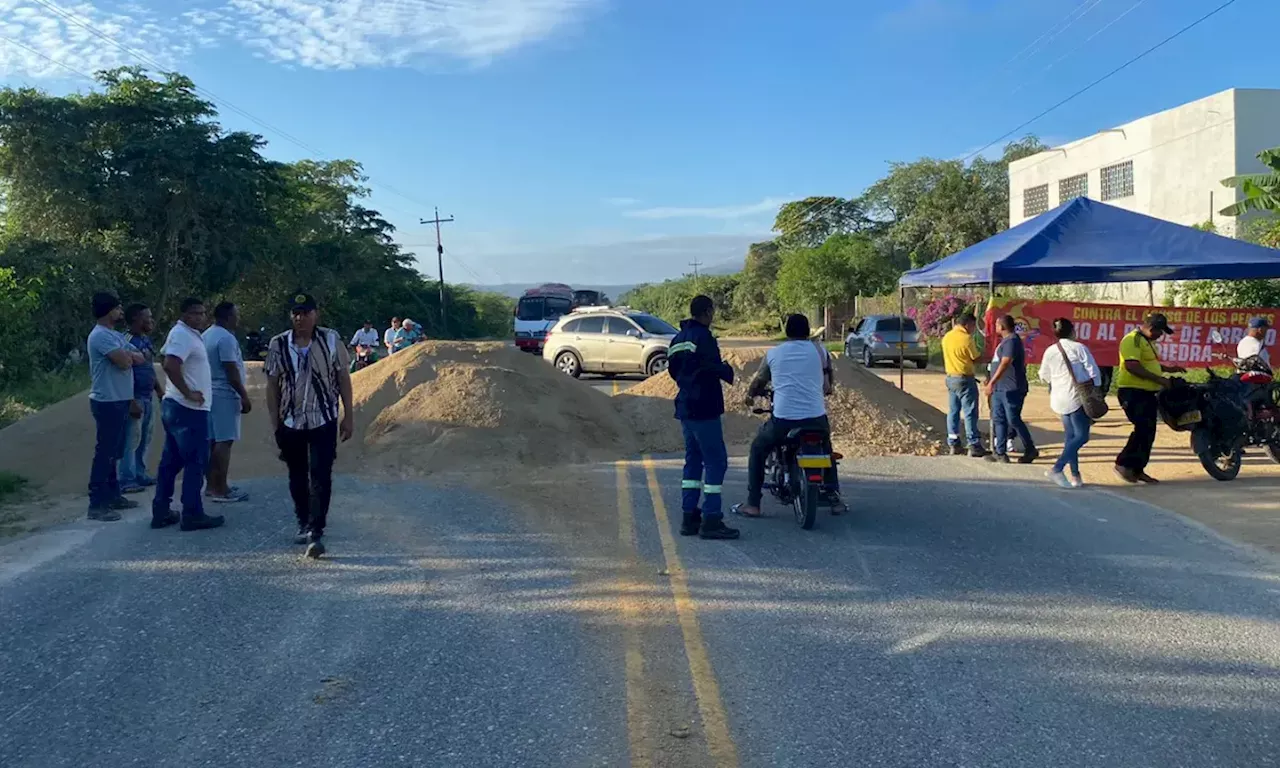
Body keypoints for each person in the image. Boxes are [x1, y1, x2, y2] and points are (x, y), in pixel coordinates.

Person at [266, 293, 355, 559]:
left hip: (323, 419)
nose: (299, 317)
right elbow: (272, 387)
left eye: (305, 312)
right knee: (297, 474)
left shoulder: (330, 339)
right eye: (295, 312)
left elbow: (343, 378)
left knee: (320, 474)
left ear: (316, 314)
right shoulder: (278, 343)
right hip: (291, 420)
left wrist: (348, 415)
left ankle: (316, 530)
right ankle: (303, 520)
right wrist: (276, 425)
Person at [735, 313, 841, 519]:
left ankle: (753, 504)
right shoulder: (820, 351)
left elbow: (759, 382)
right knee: (826, 451)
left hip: (783, 421)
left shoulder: (774, 353)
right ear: (807, 331)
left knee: (758, 449)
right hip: (816, 419)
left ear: (787, 332)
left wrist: (750, 396)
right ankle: (835, 498)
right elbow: (828, 387)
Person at [667, 295, 738, 540]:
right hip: (704, 407)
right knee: (716, 462)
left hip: (686, 406)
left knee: (693, 461)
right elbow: (711, 366)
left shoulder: (678, 338)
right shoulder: (704, 337)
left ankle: (689, 517)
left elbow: (673, 370)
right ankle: (711, 518)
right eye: (712, 311)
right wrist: (727, 370)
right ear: (707, 312)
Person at [153, 298, 224, 531]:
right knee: (196, 461)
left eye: (203, 313)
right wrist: (187, 392)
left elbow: (166, 358)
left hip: (179, 408)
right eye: (196, 313)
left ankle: (161, 510)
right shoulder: (182, 334)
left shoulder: (187, 334)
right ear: (184, 314)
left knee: (171, 463)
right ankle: (192, 513)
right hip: (188, 410)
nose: (201, 317)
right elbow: (170, 364)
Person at [86, 292, 146, 521]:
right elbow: (125, 362)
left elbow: (140, 357)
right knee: (105, 453)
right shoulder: (101, 336)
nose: (121, 311)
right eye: (118, 308)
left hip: (120, 399)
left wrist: (129, 356)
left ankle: (113, 495)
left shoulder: (114, 336)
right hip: (107, 401)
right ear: (108, 310)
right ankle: (97, 503)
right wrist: (129, 356)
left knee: (116, 452)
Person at [1114, 313, 1185, 484]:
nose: (1161, 336)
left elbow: (1147, 363)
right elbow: (1132, 366)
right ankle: (1123, 464)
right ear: (1152, 328)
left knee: (1149, 430)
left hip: (1147, 392)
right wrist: (1160, 380)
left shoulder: (1147, 341)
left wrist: (1168, 369)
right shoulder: (1132, 340)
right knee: (1143, 428)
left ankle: (1137, 469)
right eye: (1160, 332)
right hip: (1132, 391)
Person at [1038, 318, 1101, 489]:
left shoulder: (1050, 351)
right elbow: (1094, 372)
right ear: (1072, 331)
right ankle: (1057, 468)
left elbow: (1043, 375)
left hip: (1059, 398)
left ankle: (1075, 476)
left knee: (1071, 438)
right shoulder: (1079, 348)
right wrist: (1095, 392)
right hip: (1077, 397)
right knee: (1082, 436)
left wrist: (1057, 381)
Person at [204, 302, 251, 504]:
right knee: (224, 441)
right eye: (236, 314)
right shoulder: (225, 338)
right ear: (227, 317)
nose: (238, 318)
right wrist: (244, 395)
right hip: (224, 393)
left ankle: (211, 485)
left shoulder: (207, 334)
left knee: (213, 441)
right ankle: (221, 489)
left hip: (210, 393)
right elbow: (231, 370)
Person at [119, 304, 166, 493]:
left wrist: (159, 391)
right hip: (135, 397)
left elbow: (148, 369)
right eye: (148, 317)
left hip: (147, 397)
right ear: (136, 320)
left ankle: (140, 473)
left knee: (145, 438)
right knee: (131, 440)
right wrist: (129, 400)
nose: (151, 321)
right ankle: (126, 479)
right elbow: (123, 374)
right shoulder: (126, 341)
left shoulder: (145, 340)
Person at [984, 315, 1038, 465]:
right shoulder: (1005, 342)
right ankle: (1000, 453)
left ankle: (1030, 449)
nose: (995, 327)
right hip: (1000, 389)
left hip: (1011, 388)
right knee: (999, 419)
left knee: (1013, 419)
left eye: (996, 324)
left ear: (1002, 327)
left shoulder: (1012, 341)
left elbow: (1005, 362)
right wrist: (991, 381)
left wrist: (992, 382)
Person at [942, 312, 986, 457]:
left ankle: (953, 442)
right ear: (968, 324)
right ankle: (973, 444)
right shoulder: (966, 339)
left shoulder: (947, 337)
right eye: (973, 326)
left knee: (953, 411)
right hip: (965, 379)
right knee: (969, 412)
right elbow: (975, 357)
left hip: (951, 378)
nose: (974, 329)